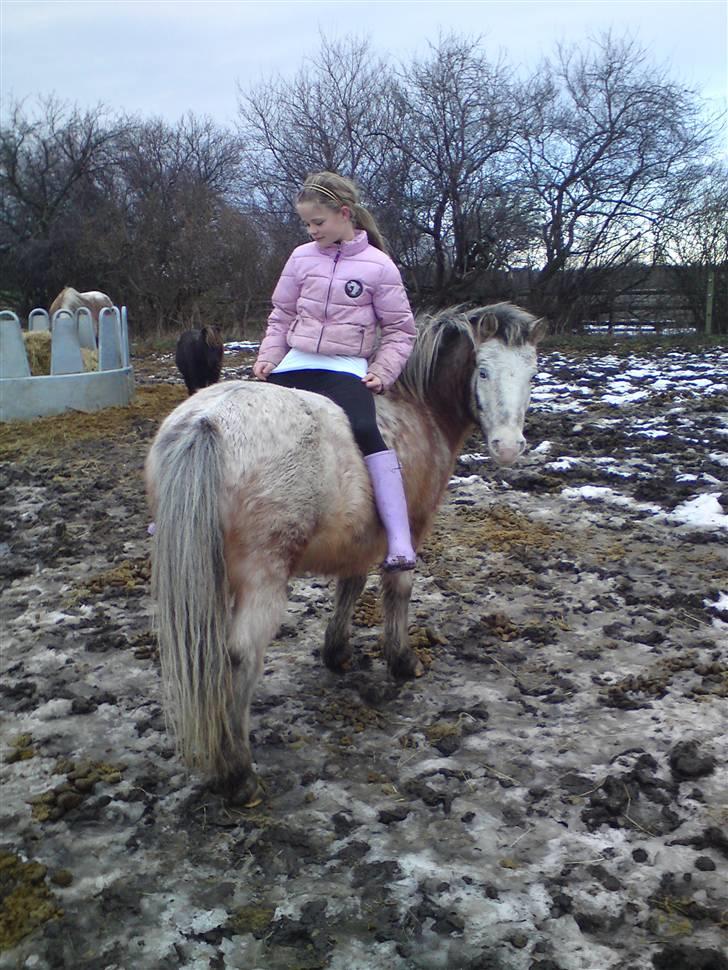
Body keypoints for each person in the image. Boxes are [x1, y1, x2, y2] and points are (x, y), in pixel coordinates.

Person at [253, 171, 417, 571]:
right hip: (295, 361)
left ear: (345, 214)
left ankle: (399, 539)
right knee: (247, 423)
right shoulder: (300, 257)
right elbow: (283, 314)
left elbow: (400, 330)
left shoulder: (379, 266)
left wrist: (382, 370)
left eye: (318, 222)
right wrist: (269, 357)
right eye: (306, 224)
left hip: (344, 368)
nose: (312, 231)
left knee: (365, 430)